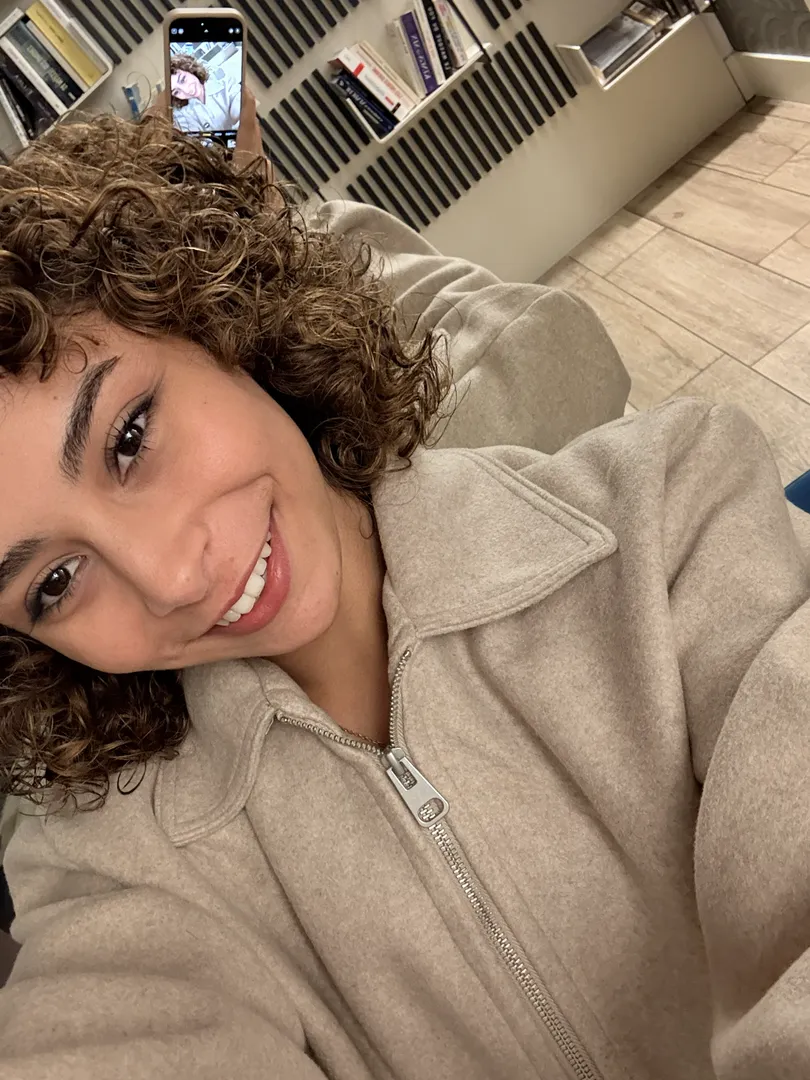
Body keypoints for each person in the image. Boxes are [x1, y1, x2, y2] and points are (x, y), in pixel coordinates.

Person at [0, 87, 808, 1080]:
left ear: (219, 323)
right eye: (54, 583)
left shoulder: (673, 509)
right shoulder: (101, 870)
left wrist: (247, 225)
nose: (169, 578)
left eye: (130, 438)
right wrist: (263, 216)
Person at [170, 50, 241, 133]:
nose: (186, 90)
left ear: (189, 69)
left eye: (183, 79)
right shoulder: (181, 115)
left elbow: (242, 113)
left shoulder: (224, 82)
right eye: (176, 92)